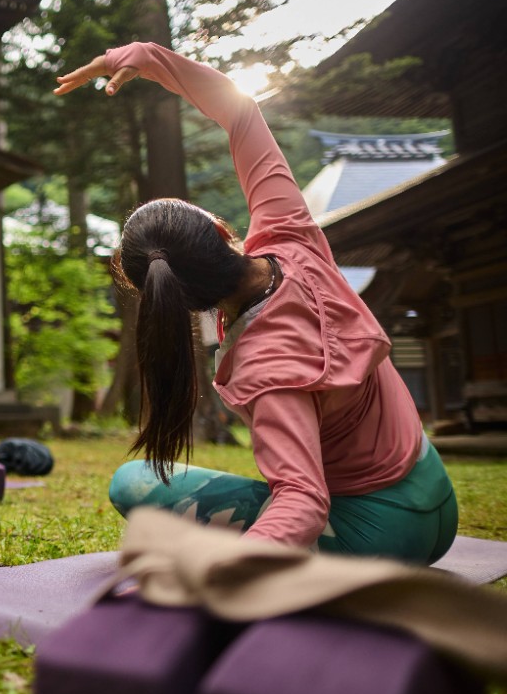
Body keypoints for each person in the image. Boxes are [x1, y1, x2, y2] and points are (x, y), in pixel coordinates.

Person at [53, 42, 457, 563]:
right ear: (220, 228)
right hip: (432, 486)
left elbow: (304, 503)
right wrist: (144, 56)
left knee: (133, 482)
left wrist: (222, 578)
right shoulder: (291, 235)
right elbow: (240, 109)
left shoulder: (265, 368)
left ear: (178, 301)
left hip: (383, 536)